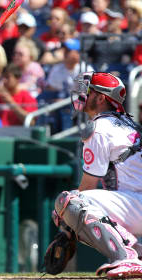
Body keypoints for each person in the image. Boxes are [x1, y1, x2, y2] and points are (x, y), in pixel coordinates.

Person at [50, 72, 142, 278]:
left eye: (88, 91)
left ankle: (126, 256)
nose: (82, 95)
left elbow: (87, 188)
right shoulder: (128, 124)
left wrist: (67, 225)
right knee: (71, 207)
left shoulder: (100, 127)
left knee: (68, 202)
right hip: (135, 203)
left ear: (101, 98)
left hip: (136, 203)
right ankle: (138, 255)